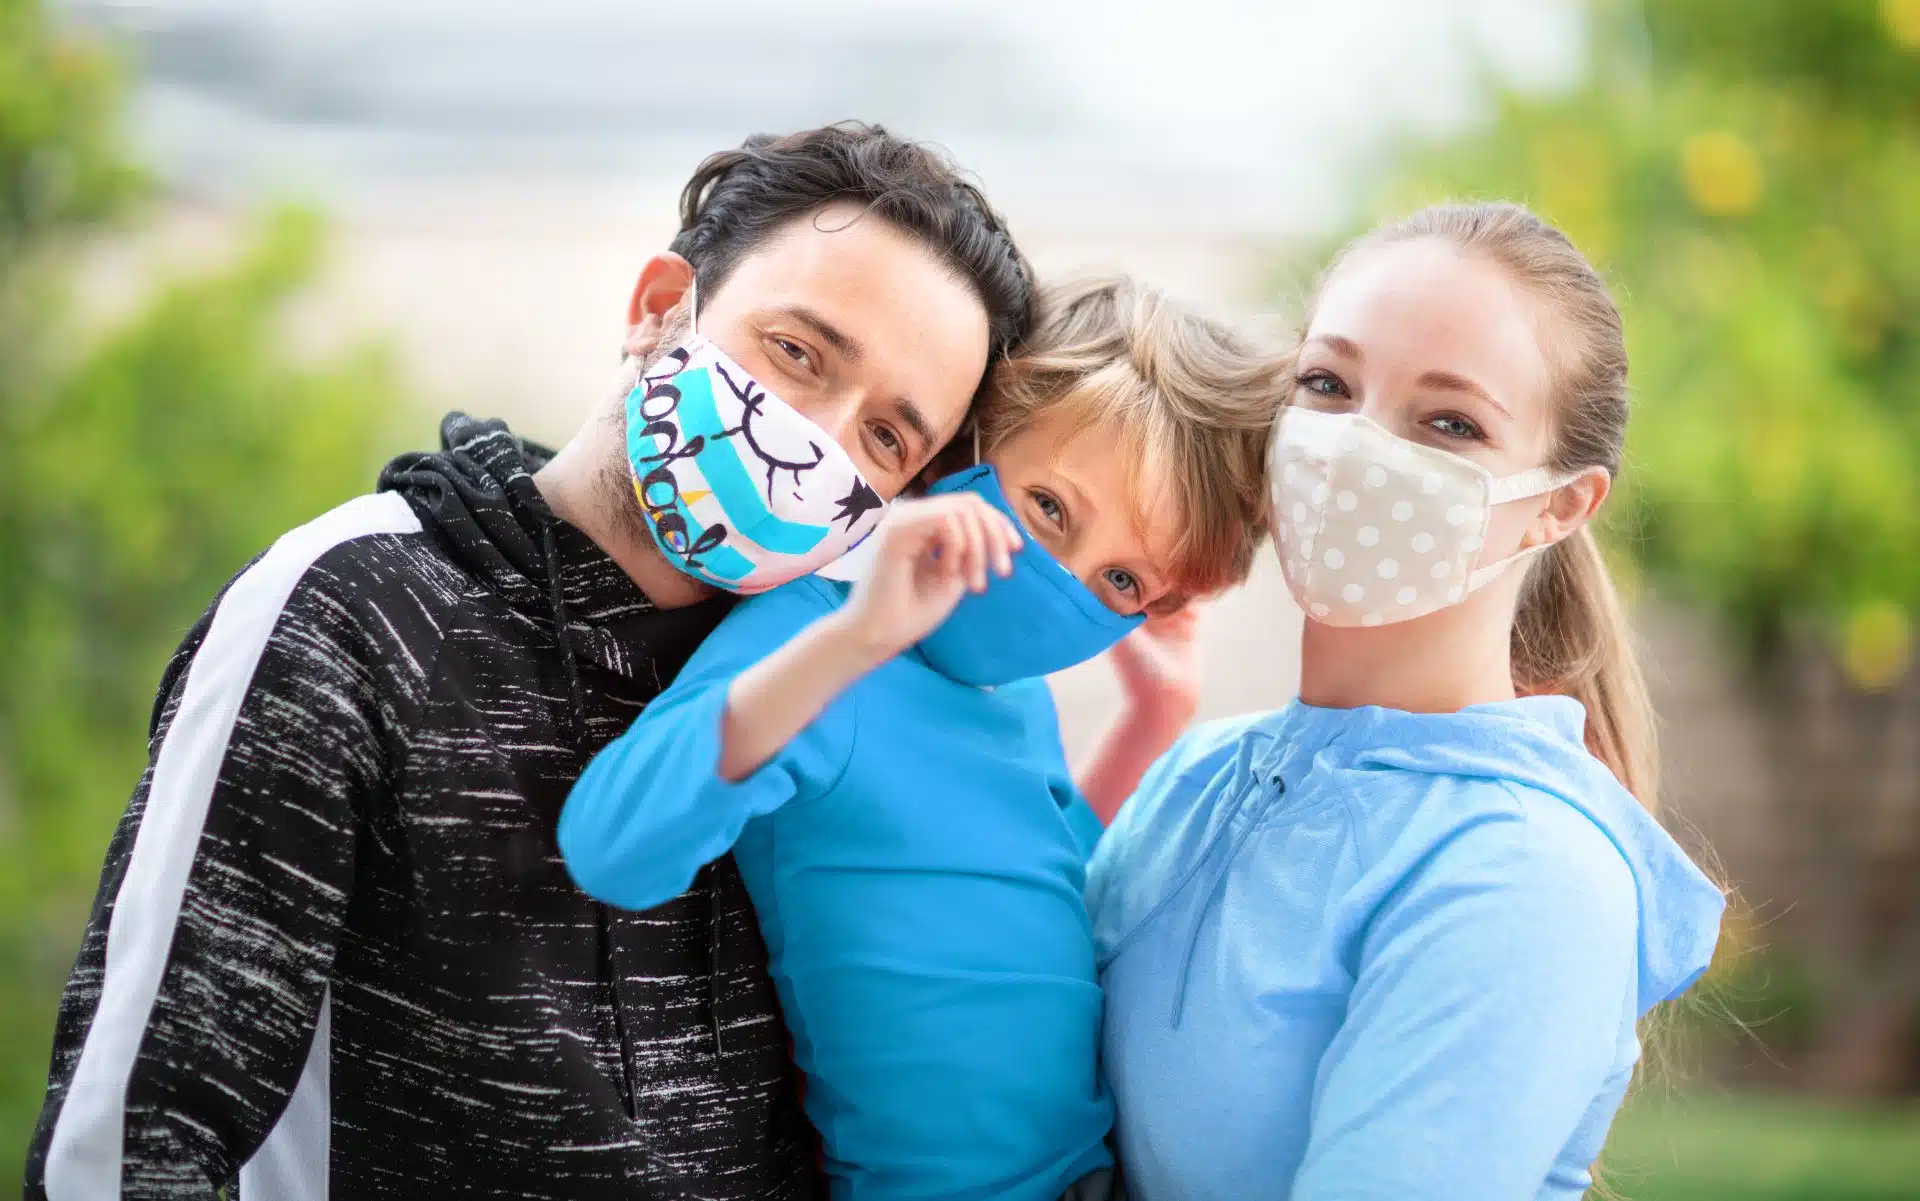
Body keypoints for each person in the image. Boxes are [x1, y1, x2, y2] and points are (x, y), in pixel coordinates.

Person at [27, 123, 1032, 1201]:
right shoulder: (351, 610)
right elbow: (133, 1137)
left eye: (886, 438)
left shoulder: (826, 693)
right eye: (797, 354)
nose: (817, 439)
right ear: (659, 307)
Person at [558, 276, 1286, 1201]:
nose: (1065, 583)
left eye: (1121, 582)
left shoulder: (1012, 695)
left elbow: (1054, 898)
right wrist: (859, 636)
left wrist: (1152, 718)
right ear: (960, 457)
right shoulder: (817, 637)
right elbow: (614, 845)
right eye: (1050, 509)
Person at [1085, 203, 1726, 1200]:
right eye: (1329, 386)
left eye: (1450, 423)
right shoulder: (1198, 776)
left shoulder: (1522, 870)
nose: (1351, 447)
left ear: (1558, 507)